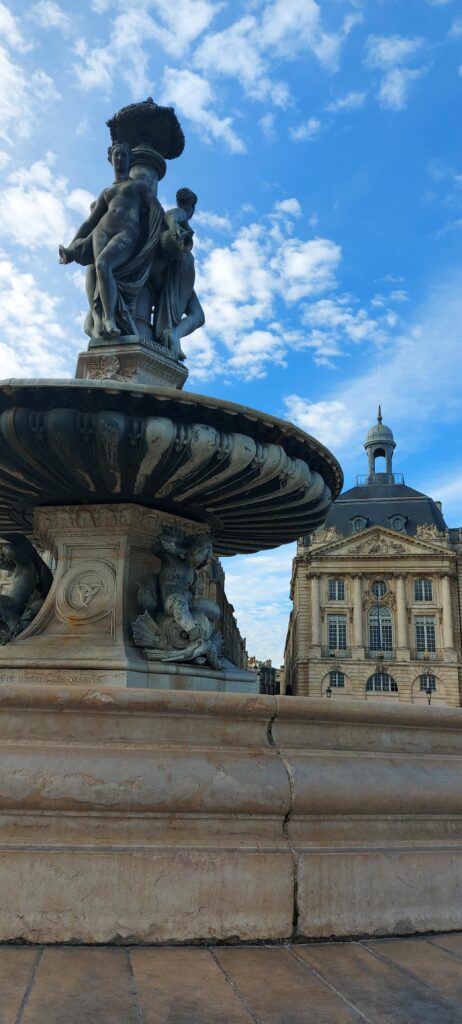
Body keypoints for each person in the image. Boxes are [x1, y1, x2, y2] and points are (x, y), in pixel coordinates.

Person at [59, 141, 163, 339]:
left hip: (127, 233)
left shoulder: (139, 185)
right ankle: (107, 319)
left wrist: (157, 236)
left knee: (103, 264)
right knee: (101, 271)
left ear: (130, 160)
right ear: (110, 159)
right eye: (116, 155)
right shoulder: (106, 192)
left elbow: (155, 210)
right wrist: (73, 244)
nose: (119, 159)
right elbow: (90, 222)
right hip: (102, 232)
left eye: (124, 155)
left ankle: (109, 318)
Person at [154, 187, 205, 360]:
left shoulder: (180, 213)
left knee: (199, 315)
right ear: (192, 207)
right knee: (195, 314)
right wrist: (174, 226)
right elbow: (171, 216)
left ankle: (174, 336)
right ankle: (171, 335)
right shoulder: (181, 213)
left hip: (184, 269)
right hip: (179, 268)